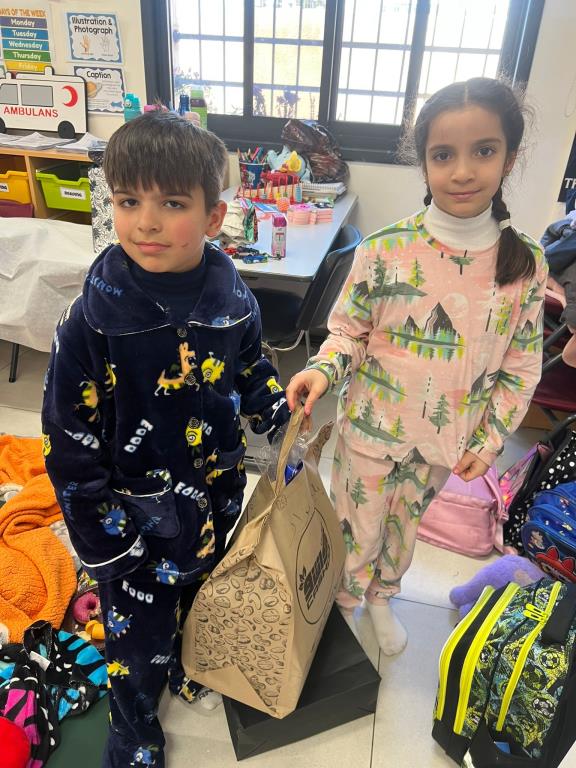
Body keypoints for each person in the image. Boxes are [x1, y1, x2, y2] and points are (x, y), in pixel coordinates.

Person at [41, 111, 290, 767]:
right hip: (133, 517)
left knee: (201, 595)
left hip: (216, 495)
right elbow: (68, 443)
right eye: (129, 201)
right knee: (136, 637)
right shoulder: (89, 321)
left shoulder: (233, 297)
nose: (146, 222)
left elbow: (250, 366)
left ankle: (190, 662)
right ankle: (134, 728)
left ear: (213, 217)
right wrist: (104, 540)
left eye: (172, 203)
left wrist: (275, 410)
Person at [286, 77, 547, 656]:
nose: (462, 171)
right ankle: (342, 603)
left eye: (484, 150)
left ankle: (382, 597)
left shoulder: (525, 263)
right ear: (424, 162)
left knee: (404, 530)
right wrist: (323, 371)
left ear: (510, 156)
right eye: (443, 155)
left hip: (443, 441)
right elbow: (348, 333)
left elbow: (521, 365)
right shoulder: (383, 250)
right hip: (368, 432)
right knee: (355, 528)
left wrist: (491, 438)